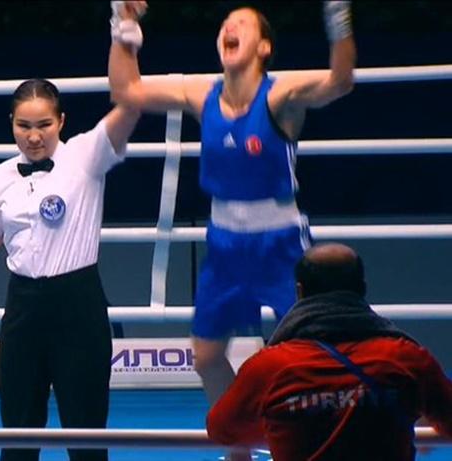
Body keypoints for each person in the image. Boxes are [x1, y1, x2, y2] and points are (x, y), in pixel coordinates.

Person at [109, 3, 356, 454]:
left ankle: (326, 442)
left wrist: (338, 17)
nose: (229, 26)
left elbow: (340, 82)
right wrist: (123, 25)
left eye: (241, 23)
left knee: (314, 357)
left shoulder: (281, 94)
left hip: (281, 244)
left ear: (263, 46)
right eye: (225, 22)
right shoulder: (202, 94)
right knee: (205, 357)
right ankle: (238, 446)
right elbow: (126, 90)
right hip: (224, 244)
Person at [0, 78, 140, 461]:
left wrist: (125, 33)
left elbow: (129, 106)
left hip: (78, 305)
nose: (34, 137)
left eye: (44, 125)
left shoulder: (87, 155)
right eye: (24, 126)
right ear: (11, 124)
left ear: (62, 121)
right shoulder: (0, 176)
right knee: (18, 433)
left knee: (86, 436)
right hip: (22, 307)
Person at [206, 242, 452, 459]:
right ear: (361, 288)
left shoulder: (269, 367)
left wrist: (289, 421)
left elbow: (222, 430)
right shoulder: (407, 359)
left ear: (300, 291)